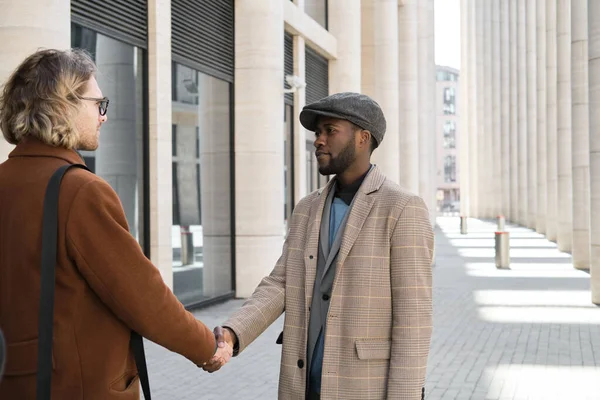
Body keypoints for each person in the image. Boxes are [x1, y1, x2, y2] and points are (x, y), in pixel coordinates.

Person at [0, 48, 231, 399]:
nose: (103, 116)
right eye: (98, 104)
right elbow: (142, 295)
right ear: (64, 105)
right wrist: (206, 348)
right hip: (77, 386)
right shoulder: (79, 190)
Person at [204, 92, 434, 399]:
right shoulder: (306, 208)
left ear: (363, 137)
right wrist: (234, 332)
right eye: (317, 132)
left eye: (330, 130)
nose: (318, 140)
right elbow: (281, 284)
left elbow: (413, 319)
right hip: (302, 385)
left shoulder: (402, 208)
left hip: (363, 387)